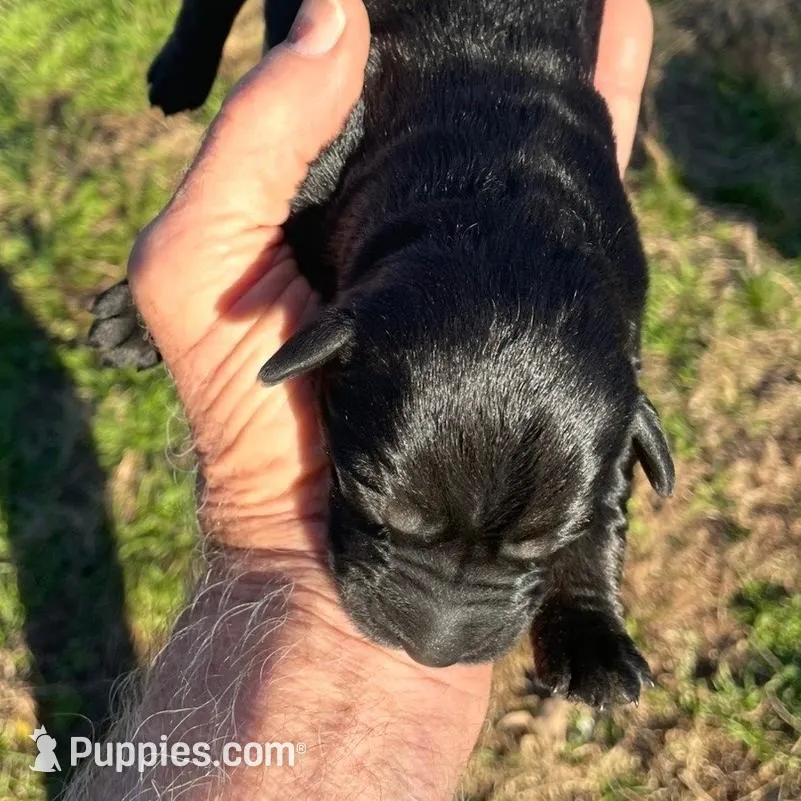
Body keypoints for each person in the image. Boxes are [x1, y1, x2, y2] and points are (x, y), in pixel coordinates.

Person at [67, 0, 653, 797]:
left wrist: (582, 598)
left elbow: (593, 458)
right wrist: (174, 300)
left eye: (528, 548)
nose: (442, 627)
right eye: (391, 516)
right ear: (341, 337)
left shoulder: (613, 291)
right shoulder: (337, 163)